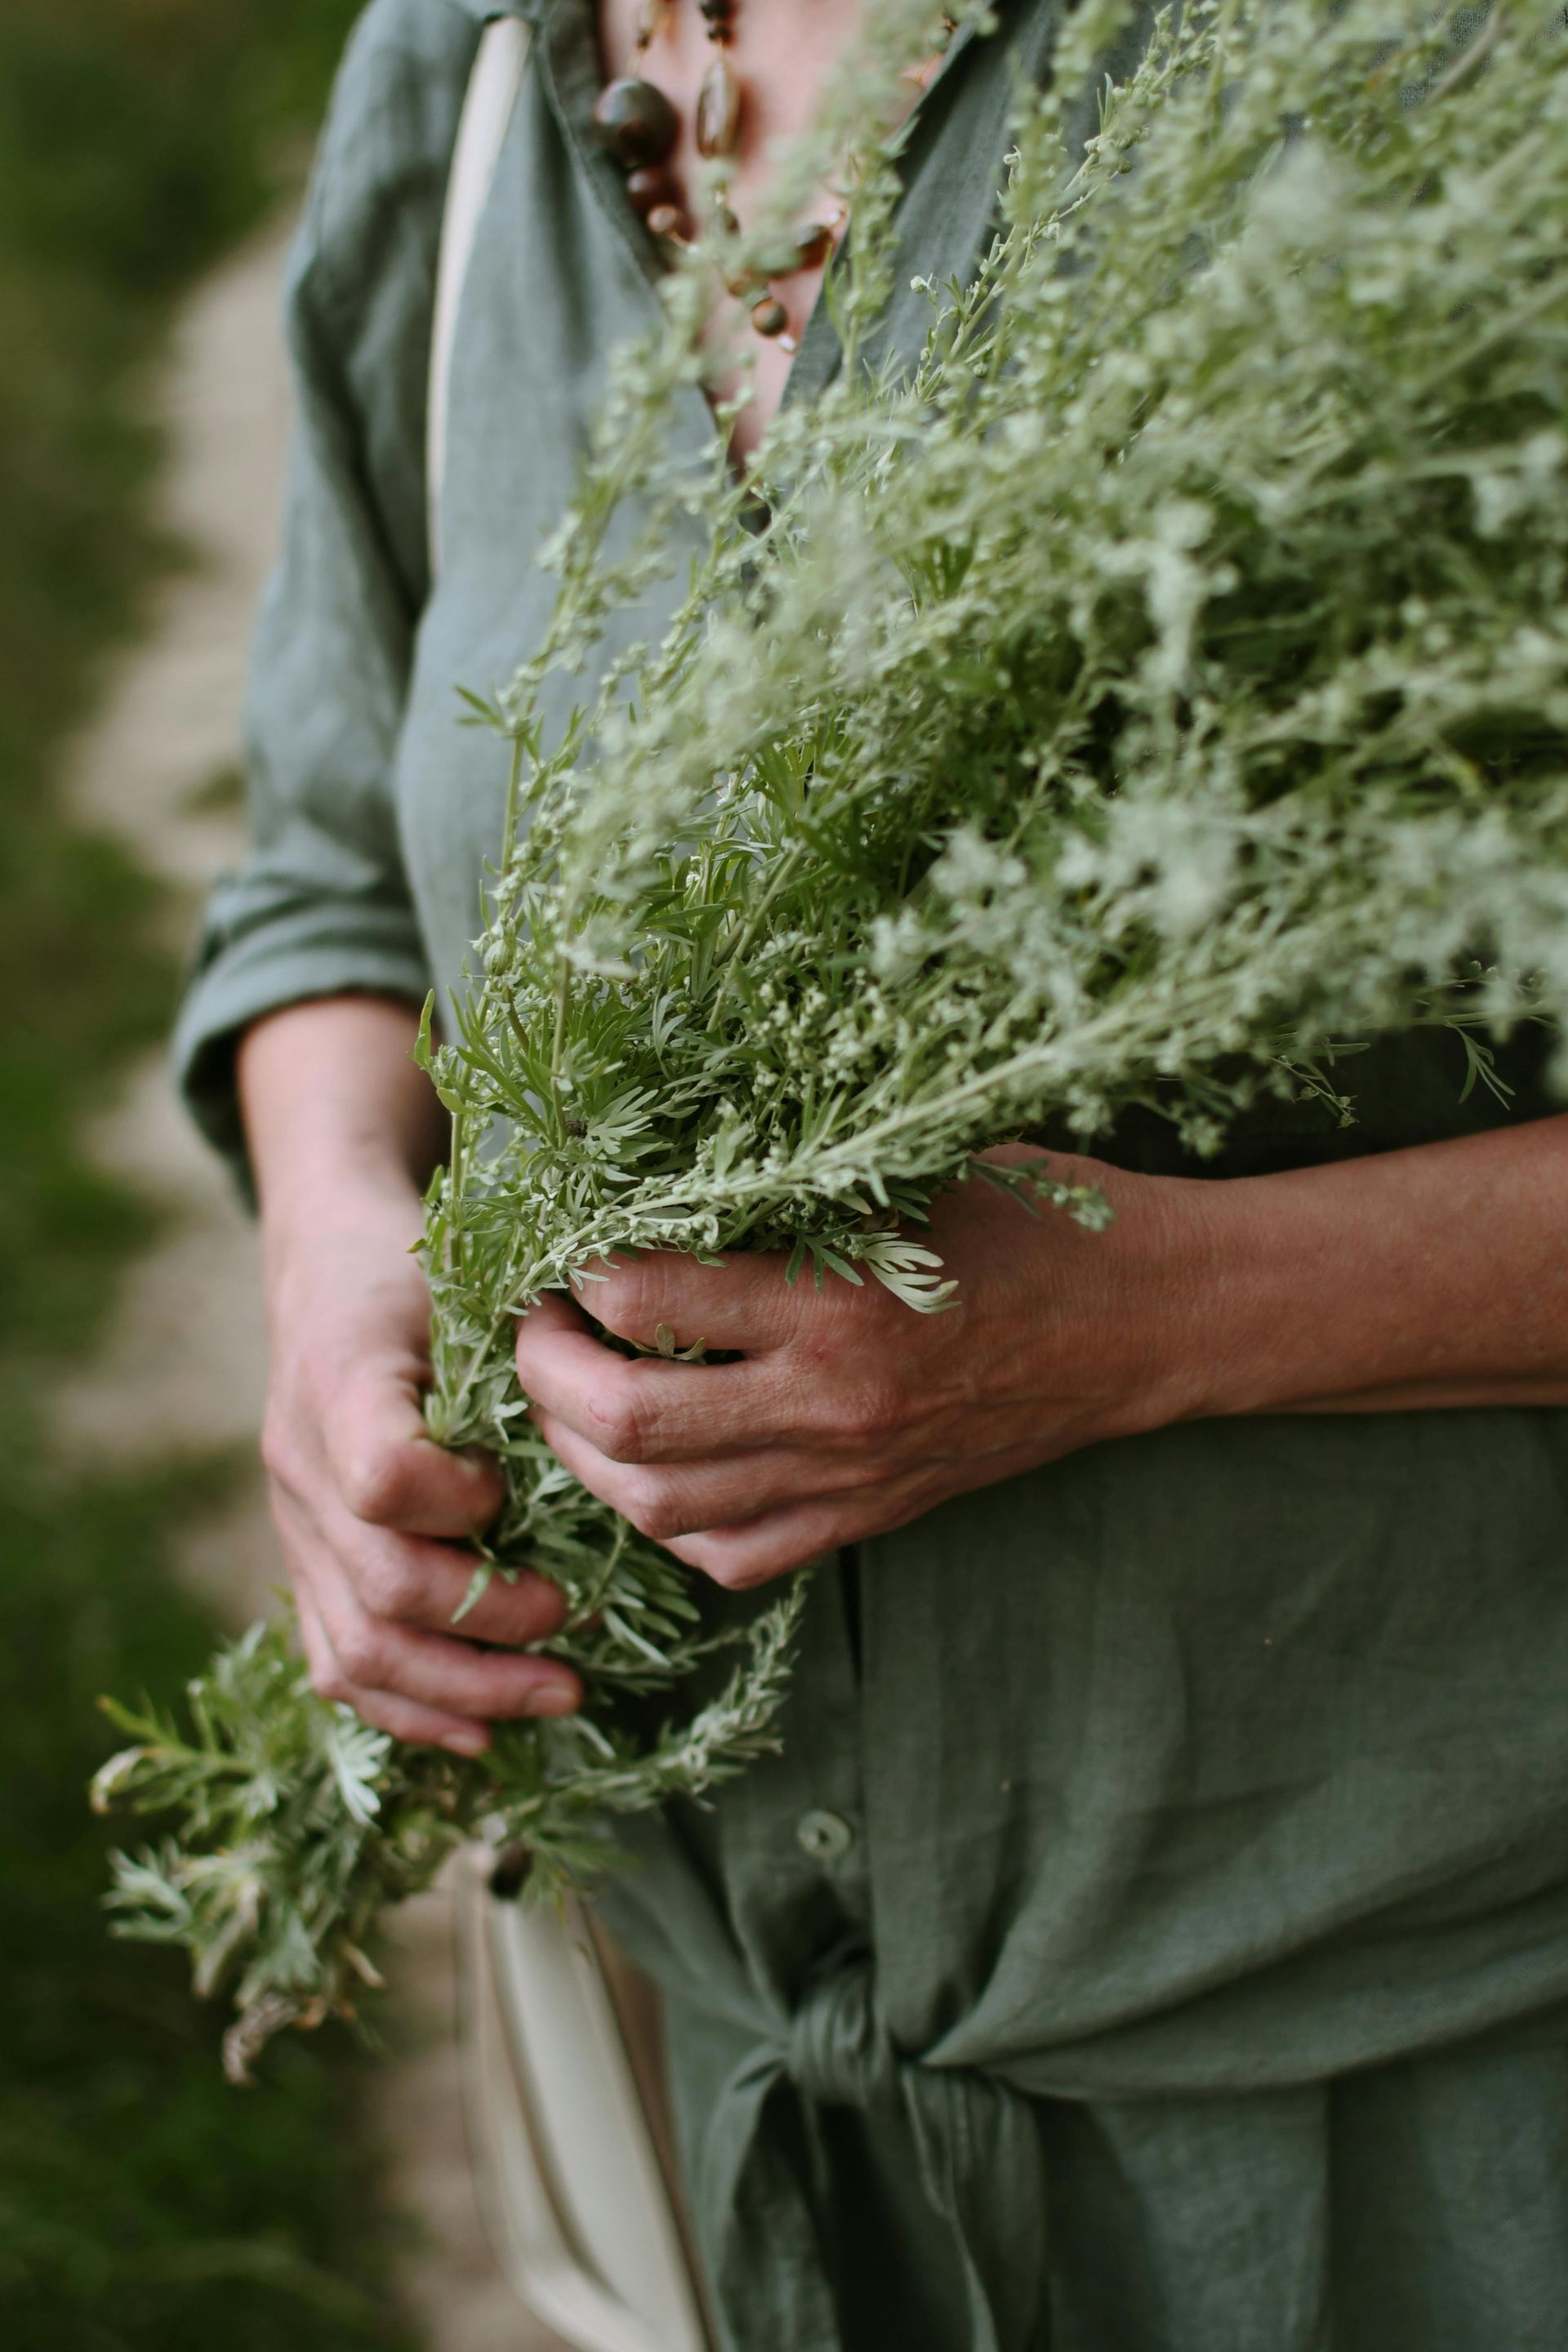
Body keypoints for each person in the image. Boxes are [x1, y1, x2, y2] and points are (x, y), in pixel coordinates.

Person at [180, 2, 1568, 2345]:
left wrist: (1141, 1326)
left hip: (1417, 2067)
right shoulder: (479, 65)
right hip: (733, 2053)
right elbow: (328, 865)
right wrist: (338, 1266)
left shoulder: (1446, 64)